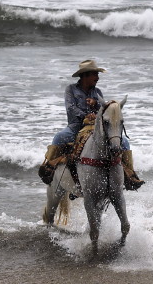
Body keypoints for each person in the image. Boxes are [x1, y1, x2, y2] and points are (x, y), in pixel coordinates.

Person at [38, 59, 145, 191]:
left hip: (95, 127)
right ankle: (49, 170)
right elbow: (70, 108)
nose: (97, 78)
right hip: (76, 126)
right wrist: (85, 115)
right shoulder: (70, 90)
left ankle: (130, 176)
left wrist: (96, 104)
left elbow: (105, 111)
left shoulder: (97, 92)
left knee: (124, 143)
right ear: (85, 76)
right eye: (95, 74)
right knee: (59, 137)